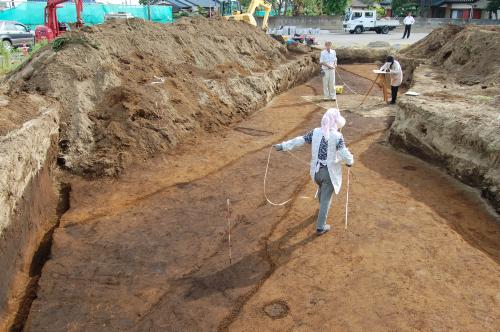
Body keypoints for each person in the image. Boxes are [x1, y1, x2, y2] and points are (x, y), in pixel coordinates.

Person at [273, 108, 353, 235]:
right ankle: (321, 227)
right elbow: (344, 153)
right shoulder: (338, 136)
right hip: (329, 174)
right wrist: (350, 161)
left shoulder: (315, 132)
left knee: (322, 191)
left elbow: (300, 140)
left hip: (316, 172)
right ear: (336, 121)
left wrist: (283, 146)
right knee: (326, 198)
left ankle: (321, 211)